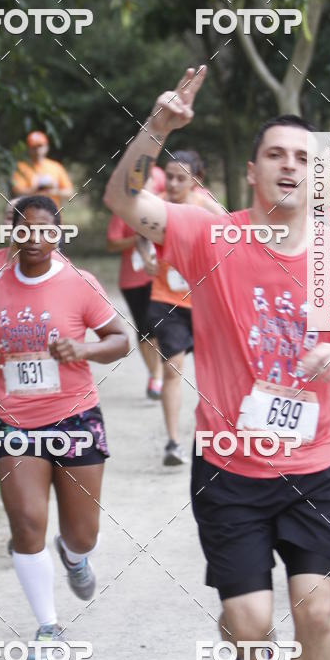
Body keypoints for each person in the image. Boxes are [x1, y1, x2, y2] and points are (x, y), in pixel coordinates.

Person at [104, 66, 330, 660]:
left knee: (316, 614)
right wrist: (157, 128)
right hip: (228, 464)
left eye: (302, 156)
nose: (289, 165)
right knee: (251, 625)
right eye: (275, 154)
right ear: (252, 171)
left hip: (317, 462)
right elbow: (123, 201)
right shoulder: (210, 236)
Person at [0, 195, 129, 660]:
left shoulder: (78, 283)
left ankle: (74, 557)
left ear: (58, 235)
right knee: (27, 523)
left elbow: (121, 340)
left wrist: (83, 350)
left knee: (83, 534)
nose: (34, 239)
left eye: (45, 231)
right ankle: (48, 626)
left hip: (76, 419)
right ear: (11, 234)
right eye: (24, 230)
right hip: (17, 422)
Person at [137, 150, 223, 465]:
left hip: (205, 302)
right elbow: (142, 235)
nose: (173, 183)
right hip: (166, 299)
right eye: (169, 176)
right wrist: (146, 256)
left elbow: (236, 235)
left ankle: (216, 437)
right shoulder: (156, 204)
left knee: (213, 373)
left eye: (181, 178)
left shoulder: (206, 206)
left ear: (195, 181)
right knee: (173, 367)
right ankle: (173, 443)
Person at [106, 173, 164, 400]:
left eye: (147, 181)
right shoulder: (123, 208)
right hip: (132, 279)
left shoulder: (161, 207)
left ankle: (158, 374)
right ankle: (155, 374)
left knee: (157, 325)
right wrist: (139, 238)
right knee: (144, 329)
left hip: (158, 276)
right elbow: (111, 243)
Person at [11, 131, 74, 209]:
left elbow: (69, 192)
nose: (37, 150)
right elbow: (17, 192)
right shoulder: (21, 167)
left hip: (53, 215)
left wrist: (53, 191)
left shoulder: (56, 166)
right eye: (34, 147)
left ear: (47, 147)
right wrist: (35, 189)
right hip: (30, 215)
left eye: (40, 146)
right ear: (28, 149)